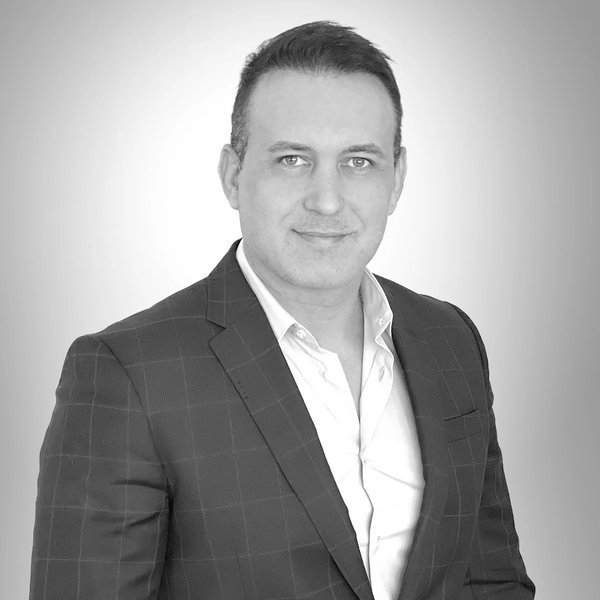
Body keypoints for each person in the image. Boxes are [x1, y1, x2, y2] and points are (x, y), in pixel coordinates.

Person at [30, 21, 535, 600]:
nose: (327, 200)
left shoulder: (450, 339)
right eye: (293, 159)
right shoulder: (128, 374)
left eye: (359, 162)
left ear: (397, 179)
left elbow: (492, 582)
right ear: (233, 176)